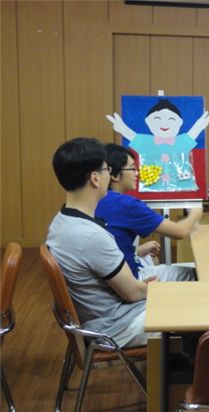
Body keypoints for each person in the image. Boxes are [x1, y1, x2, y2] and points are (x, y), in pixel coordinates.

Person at [46, 137, 156, 348]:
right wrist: (155, 289)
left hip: (100, 318)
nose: (109, 175)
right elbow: (133, 293)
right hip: (114, 326)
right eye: (107, 169)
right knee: (190, 309)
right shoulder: (90, 236)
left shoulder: (61, 221)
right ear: (95, 178)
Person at [95, 143, 203, 281]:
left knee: (152, 259)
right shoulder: (127, 204)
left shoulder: (96, 199)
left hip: (107, 276)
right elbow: (180, 232)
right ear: (115, 175)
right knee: (196, 274)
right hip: (129, 279)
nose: (137, 173)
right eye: (132, 168)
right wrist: (196, 212)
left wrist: (137, 251)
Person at [106, 98, 209, 193]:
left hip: (182, 187)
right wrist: (122, 128)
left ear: (180, 122)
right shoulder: (145, 141)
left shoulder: (182, 141)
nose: (164, 123)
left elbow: (193, 133)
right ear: (147, 121)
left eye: (171, 119)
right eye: (157, 118)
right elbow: (130, 135)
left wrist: (199, 125)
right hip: (151, 187)